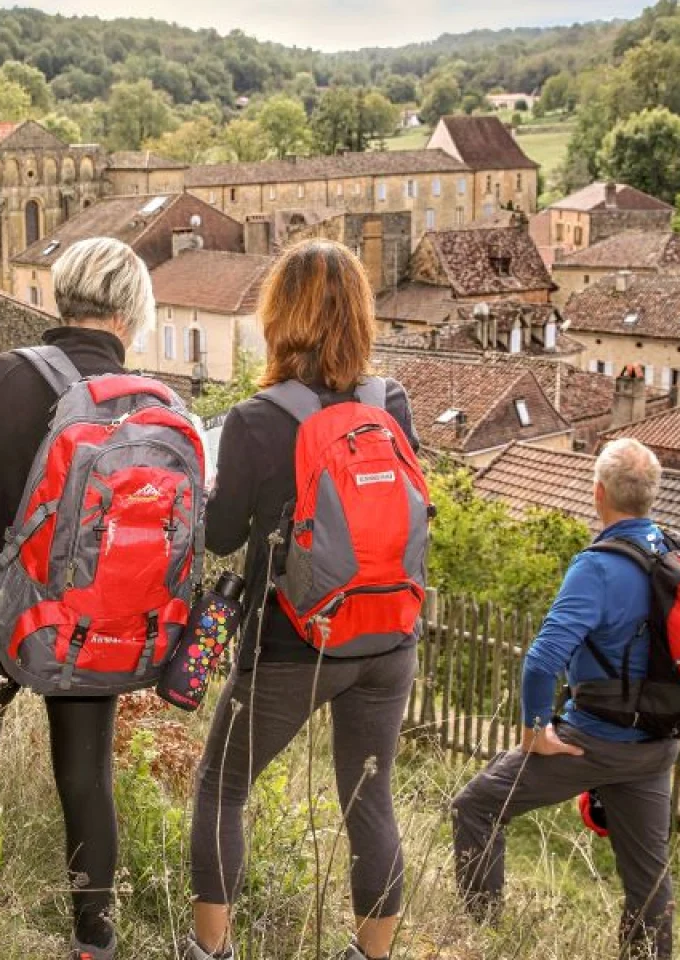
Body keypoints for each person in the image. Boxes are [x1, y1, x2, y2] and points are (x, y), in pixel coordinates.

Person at [0, 237, 156, 960]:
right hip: (86, 623)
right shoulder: (145, 404)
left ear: (64, 297)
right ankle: (92, 938)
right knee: (86, 776)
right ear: (131, 314)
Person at [182, 240, 420, 960]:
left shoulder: (259, 419)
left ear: (277, 315)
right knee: (368, 801)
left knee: (223, 788)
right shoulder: (392, 402)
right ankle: (371, 954)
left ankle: (209, 952)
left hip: (291, 643)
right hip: (386, 638)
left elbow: (221, 533)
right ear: (360, 314)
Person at [451, 437, 680, 960]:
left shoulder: (598, 567)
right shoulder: (672, 554)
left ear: (599, 493)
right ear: (651, 496)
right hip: (655, 745)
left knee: (476, 807)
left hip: (592, 740)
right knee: (648, 879)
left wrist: (536, 729)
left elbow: (542, 658)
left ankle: (478, 935)